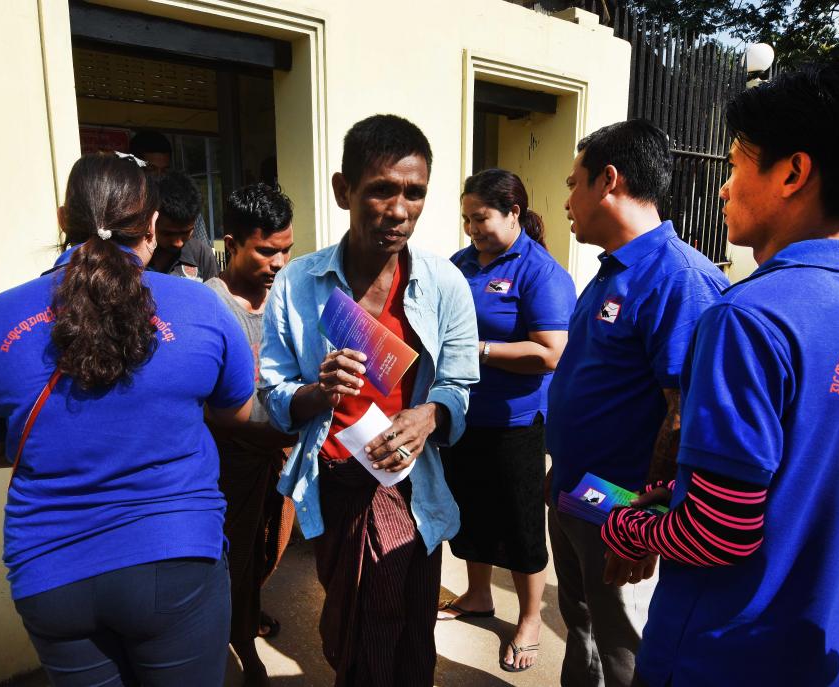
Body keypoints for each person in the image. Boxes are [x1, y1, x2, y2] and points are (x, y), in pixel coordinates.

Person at [0, 152, 255, 686]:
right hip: (175, 558)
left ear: (64, 218)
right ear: (153, 225)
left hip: (50, 571)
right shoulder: (201, 307)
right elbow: (238, 409)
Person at [601, 59, 839, 687]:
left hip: (722, 652)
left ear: (793, 173)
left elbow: (719, 533)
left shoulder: (748, 318)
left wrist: (628, 524)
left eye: (736, 164)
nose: (722, 188)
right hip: (831, 649)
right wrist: (687, 500)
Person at [258, 114, 479, 687]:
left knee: (399, 626)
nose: (399, 209)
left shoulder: (442, 284)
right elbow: (274, 391)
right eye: (382, 189)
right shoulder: (300, 283)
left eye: (415, 193)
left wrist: (430, 414)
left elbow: (459, 386)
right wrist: (316, 389)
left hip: (406, 486)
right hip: (332, 483)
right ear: (343, 189)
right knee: (346, 626)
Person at [545, 119, 729, 687]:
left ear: (608, 180)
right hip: (577, 493)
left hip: (622, 509)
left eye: (573, 183)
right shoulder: (610, 272)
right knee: (581, 628)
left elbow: (686, 414)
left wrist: (645, 522)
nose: (566, 200)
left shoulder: (678, 279)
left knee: (625, 648)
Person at [437, 168, 576, 673]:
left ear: (514, 212)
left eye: (482, 218)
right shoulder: (462, 263)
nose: (472, 229)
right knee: (470, 510)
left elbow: (552, 352)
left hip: (516, 421)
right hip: (463, 415)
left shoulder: (539, 272)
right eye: (467, 220)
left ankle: (531, 619)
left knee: (519, 523)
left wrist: (481, 350)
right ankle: (477, 594)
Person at [205, 183, 297, 687]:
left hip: (282, 455)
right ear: (232, 242)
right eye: (266, 250)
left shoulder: (288, 296)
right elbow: (207, 406)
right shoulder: (209, 304)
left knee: (268, 548)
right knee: (234, 556)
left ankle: (246, 618)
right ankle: (240, 641)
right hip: (229, 461)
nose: (279, 261)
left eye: (286, 249)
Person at [147, 169, 219, 282]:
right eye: (168, 233)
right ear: (151, 220)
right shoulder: (135, 256)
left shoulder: (202, 255)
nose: (178, 243)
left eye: (186, 233)